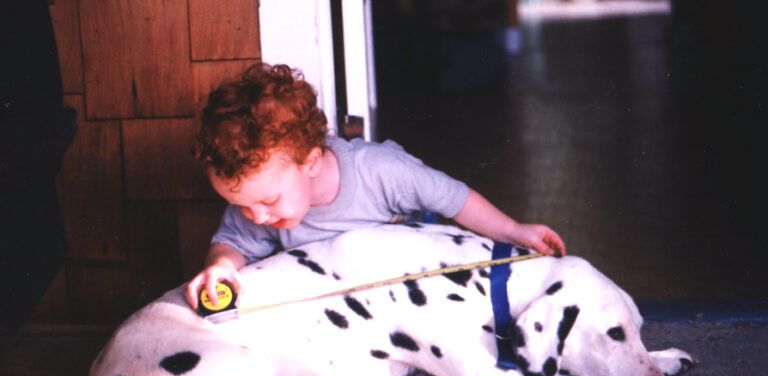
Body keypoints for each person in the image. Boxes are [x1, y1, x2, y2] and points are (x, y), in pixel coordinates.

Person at [185, 63, 566, 309]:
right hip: (344, 305)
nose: (258, 217)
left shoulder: (381, 171)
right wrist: (220, 267)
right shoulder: (258, 204)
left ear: (311, 162)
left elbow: (455, 199)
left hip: (411, 287)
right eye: (245, 207)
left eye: (267, 201)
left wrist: (514, 230)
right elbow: (233, 242)